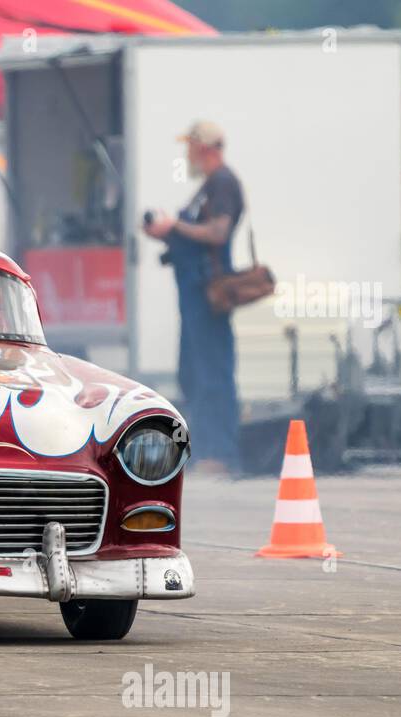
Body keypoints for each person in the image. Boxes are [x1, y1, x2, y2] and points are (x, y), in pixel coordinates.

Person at [142, 121, 245, 474]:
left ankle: (221, 454)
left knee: (213, 372)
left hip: (208, 294)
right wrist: (166, 233)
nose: (186, 154)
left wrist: (174, 226)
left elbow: (218, 232)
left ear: (204, 148)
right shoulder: (207, 187)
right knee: (193, 373)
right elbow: (196, 233)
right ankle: (204, 451)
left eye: (190, 147)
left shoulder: (224, 183)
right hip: (192, 295)